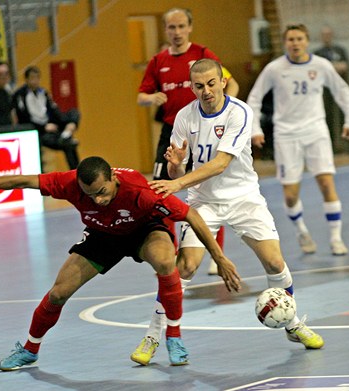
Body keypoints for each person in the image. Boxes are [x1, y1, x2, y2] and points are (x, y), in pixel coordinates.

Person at [0, 156, 241, 370]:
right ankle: (30, 349)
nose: (97, 199)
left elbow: (190, 215)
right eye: (90, 195)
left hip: (144, 229)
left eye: (102, 192)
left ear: (113, 178)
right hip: (103, 234)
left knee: (166, 263)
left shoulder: (141, 193)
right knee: (59, 292)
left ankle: (174, 337)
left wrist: (220, 258)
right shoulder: (70, 185)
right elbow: (24, 180)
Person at [130, 59, 324, 367]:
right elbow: (176, 166)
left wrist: (176, 181)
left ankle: (292, 323)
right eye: (198, 86)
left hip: (243, 197)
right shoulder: (184, 117)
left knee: (275, 262)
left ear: (222, 82)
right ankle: (155, 335)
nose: (205, 91)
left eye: (211, 84)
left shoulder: (239, 112)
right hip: (204, 202)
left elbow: (220, 164)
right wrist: (177, 164)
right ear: (191, 87)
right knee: (187, 267)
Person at [137, 7, 239, 275]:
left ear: (190, 27)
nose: (177, 32)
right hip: (173, 131)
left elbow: (231, 84)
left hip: (203, 129)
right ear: (166, 30)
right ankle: (169, 248)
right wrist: (151, 98)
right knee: (160, 188)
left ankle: (217, 253)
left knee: (210, 189)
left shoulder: (203, 55)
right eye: (172, 28)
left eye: (181, 26)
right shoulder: (158, 61)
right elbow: (141, 96)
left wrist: (231, 114)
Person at [247, 23, 349, 256]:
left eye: (299, 39)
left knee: (326, 184)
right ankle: (301, 230)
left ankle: (336, 238)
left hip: (316, 131)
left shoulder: (321, 65)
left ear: (307, 41)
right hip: (286, 135)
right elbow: (255, 98)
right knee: (290, 195)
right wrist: (254, 128)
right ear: (285, 43)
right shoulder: (274, 69)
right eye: (290, 39)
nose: (295, 43)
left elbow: (342, 91)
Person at [13, 65, 81, 170]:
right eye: (32, 78)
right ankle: (65, 138)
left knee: (74, 113)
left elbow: (54, 110)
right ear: (26, 79)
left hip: (51, 126)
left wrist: (67, 123)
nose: (35, 81)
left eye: (37, 78)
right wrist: (43, 127)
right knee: (69, 144)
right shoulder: (20, 95)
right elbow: (23, 118)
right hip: (38, 130)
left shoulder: (43, 92)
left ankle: (66, 135)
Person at [314, 26, 349, 148]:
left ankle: (346, 144)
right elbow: (319, 71)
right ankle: (331, 146)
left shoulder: (339, 50)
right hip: (325, 89)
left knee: (343, 115)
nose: (326, 37)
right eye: (324, 35)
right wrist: (334, 67)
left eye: (328, 34)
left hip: (340, 87)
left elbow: (344, 66)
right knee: (327, 116)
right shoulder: (318, 53)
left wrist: (329, 67)